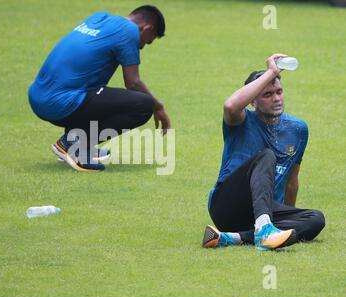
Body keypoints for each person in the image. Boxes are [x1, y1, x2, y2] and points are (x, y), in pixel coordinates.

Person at [202, 53, 325, 251]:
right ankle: (263, 230)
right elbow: (230, 105)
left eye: (279, 92)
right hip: (227, 206)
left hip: (264, 209)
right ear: (253, 101)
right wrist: (271, 72)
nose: (276, 98)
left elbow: (292, 181)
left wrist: (288, 217)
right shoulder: (240, 121)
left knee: (316, 219)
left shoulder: (298, 129)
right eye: (267, 95)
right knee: (267, 156)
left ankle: (231, 238)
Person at [28, 5, 171, 172]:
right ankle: (74, 144)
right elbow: (133, 83)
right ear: (147, 28)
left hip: (39, 96)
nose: (142, 47)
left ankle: (80, 142)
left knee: (101, 93)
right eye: (148, 41)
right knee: (143, 105)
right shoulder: (130, 30)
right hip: (61, 103)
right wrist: (158, 106)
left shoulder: (99, 18)